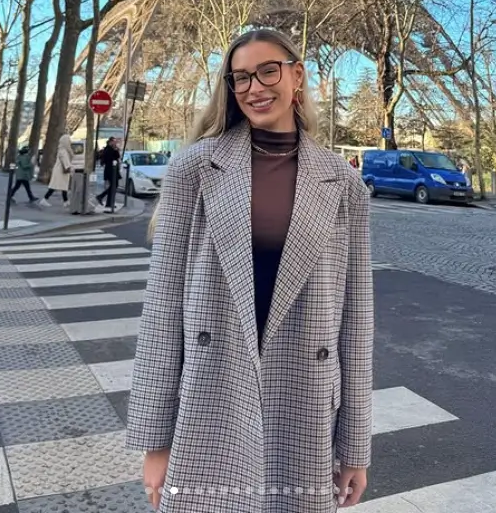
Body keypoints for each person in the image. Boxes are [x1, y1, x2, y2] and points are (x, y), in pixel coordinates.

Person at [126, 28, 374, 512]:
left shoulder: (344, 183)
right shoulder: (194, 168)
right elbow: (162, 307)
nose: (255, 87)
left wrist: (355, 450)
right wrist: (156, 443)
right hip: (211, 396)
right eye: (241, 78)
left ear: (297, 75)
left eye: (268, 71)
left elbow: (357, 322)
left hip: (303, 401)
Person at [39, 134, 73, 207]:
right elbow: (65, 161)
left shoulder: (61, 149)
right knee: (56, 186)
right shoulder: (63, 151)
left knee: (62, 186)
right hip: (60, 171)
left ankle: (65, 201)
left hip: (59, 170)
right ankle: (45, 199)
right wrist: (69, 168)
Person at [96, 137, 121, 211]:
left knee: (114, 186)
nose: (115, 143)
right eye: (114, 141)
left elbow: (117, 156)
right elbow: (110, 158)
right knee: (113, 186)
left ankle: (109, 203)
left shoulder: (112, 149)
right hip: (110, 170)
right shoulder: (107, 149)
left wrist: (116, 150)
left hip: (114, 170)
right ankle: (101, 197)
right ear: (110, 142)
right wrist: (115, 150)